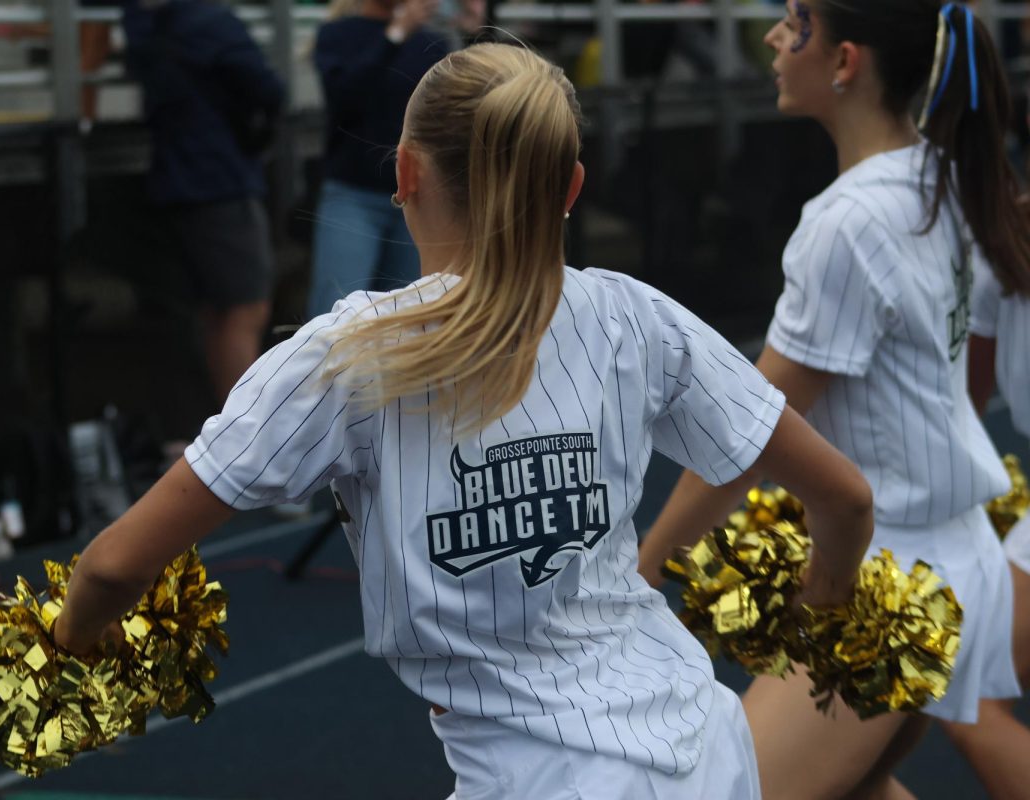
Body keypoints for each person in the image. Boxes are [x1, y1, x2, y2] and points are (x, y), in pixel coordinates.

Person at [52, 43, 875, 798]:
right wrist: (824, 594)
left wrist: (70, 653)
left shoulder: (347, 356)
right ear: (572, 188)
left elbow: (116, 566)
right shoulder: (634, 318)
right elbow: (844, 499)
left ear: (405, 173)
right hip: (708, 749)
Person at [637, 2, 1030, 798]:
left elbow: (746, 432)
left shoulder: (847, 221)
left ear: (845, 61)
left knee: (728, 791)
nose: (777, 41)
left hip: (896, 580)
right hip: (949, 564)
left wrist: (638, 573)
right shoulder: (936, 178)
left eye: (795, 22)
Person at [122, 0, 284, 402]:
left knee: (215, 311)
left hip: (173, 177)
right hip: (221, 179)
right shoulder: (210, 21)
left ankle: (223, 430)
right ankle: (248, 434)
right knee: (247, 309)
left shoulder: (141, 22)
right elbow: (270, 90)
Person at [939, 213, 1030, 798]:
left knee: (969, 694)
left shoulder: (1006, 236)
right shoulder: (1005, 241)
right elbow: (963, 406)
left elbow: (960, 408)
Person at [304, 0, 451, 319]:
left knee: (412, 313)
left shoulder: (432, 43)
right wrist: (395, 34)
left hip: (418, 196)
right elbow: (345, 97)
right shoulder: (336, 34)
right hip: (353, 193)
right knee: (335, 311)